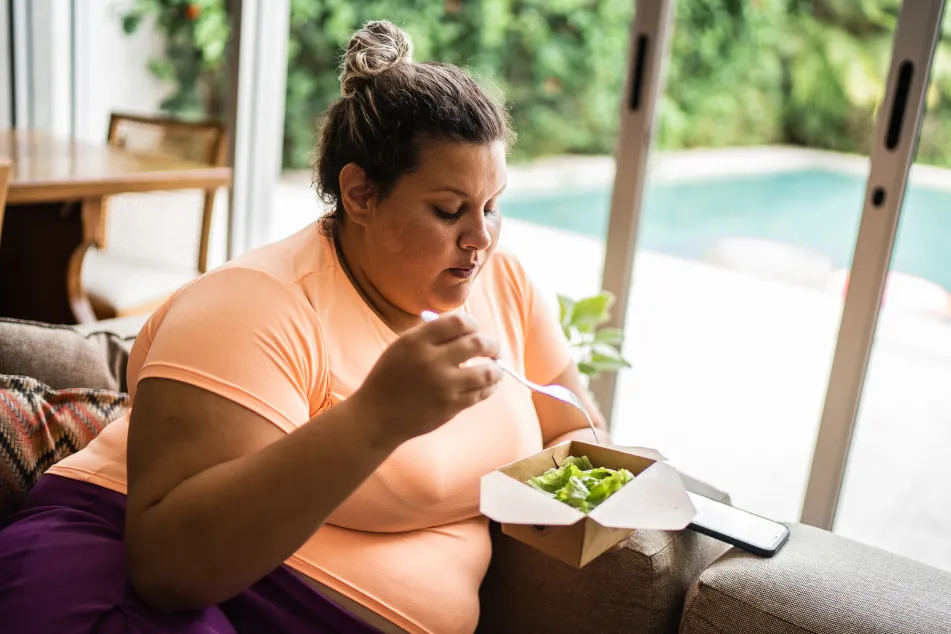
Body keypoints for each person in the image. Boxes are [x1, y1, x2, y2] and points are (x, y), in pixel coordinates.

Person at [0, 20, 606, 634]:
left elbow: (575, 430)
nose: (480, 239)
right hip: (138, 585)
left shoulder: (506, 287)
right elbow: (168, 565)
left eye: (492, 205)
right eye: (448, 210)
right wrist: (377, 419)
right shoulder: (258, 303)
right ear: (360, 195)